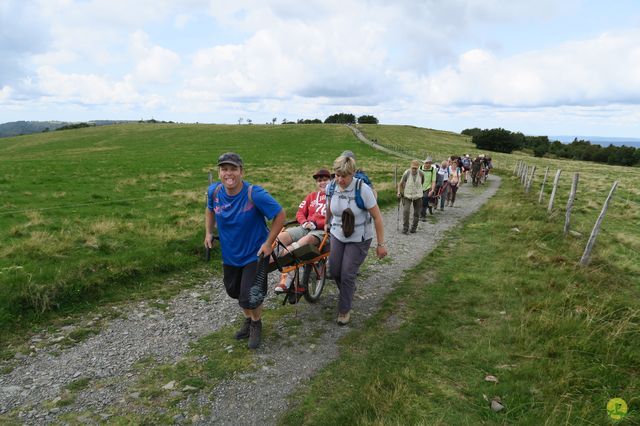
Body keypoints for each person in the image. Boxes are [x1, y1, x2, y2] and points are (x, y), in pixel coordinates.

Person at [204, 152, 286, 349]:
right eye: (224, 169)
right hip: (230, 254)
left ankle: (256, 323)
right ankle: (248, 320)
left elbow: (280, 215)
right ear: (219, 172)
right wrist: (208, 232)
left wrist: (268, 243)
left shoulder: (253, 194)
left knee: (251, 295)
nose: (229, 173)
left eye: (233, 169)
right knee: (234, 292)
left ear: (242, 171)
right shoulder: (214, 192)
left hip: (254, 254)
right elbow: (209, 209)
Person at [325, 154, 387, 326]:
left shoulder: (363, 189)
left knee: (347, 274)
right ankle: (349, 288)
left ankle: (344, 310)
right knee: (334, 271)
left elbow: (378, 217)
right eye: (337, 175)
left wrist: (381, 244)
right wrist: (326, 224)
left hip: (359, 237)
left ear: (352, 174)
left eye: (344, 176)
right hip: (338, 234)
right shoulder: (331, 187)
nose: (340, 180)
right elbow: (329, 208)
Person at [273, 168, 331, 293]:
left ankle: (286, 277)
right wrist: (304, 222)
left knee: (307, 239)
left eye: (325, 180)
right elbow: (300, 212)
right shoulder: (311, 196)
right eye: (319, 180)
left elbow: (335, 217)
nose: (322, 183)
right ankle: (270, 260)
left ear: (331, 181)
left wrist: (317, 224)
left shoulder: (335, 198)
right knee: (281, 237)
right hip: (305, 227)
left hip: (322, 231)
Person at [397, 159, 424, 234]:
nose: (414, 169)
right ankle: (405, 228)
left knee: (417, 213)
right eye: (413, 168)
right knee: (406, 211)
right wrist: (399, 192)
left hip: (418, 195)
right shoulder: (407, 173)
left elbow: (422, 182)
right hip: (407, 195)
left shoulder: (421, 173)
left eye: (416, 168)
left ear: (418, 167)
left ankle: (414, 228)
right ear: (410, 167)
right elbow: (400, 183)